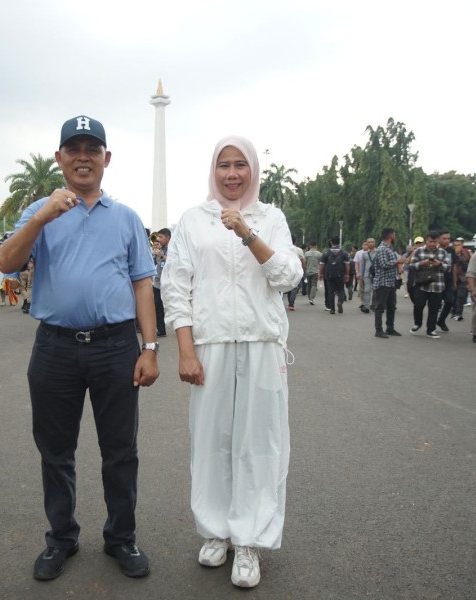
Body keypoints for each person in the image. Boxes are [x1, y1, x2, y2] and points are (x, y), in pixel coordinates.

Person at [0, 115, 159, 582]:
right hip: (55, 347)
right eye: (74, 149)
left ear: (106, 159)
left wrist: (149, 348)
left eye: (92, 149)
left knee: (120, 450)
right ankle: (61, 537)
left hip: (115, 347)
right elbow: (8, 264)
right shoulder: (39, 211)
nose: (83, 157)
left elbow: (143, 285)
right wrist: (44, 216)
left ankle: (121, 537)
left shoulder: (126, 218)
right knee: (55, 450)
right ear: (60, 158)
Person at [161, 135, 300, 589]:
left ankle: (249, 542)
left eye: (241, 164)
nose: (233, 173)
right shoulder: (192, 221)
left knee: (259, 445)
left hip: (262, 344)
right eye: (224, 164)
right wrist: (185, 350)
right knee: (211, 442)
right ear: (213, 170)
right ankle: (216, 532)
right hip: (212, 346)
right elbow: (175, 287)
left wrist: (246, 232)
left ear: (253, 170)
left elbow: (286, 276)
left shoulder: (271, 218)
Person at [409, 231, 450, 338]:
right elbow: (412, 266)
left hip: (437, 284)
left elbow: (448, 267)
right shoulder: (418, 251)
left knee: (434, 309)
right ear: (426, 240)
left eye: (435, 242)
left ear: (438, 241)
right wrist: (422, 263)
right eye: (430, 241)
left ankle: (431, 330)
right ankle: (417, 323)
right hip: (421, 284)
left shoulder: (443, 253)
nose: (432, 244)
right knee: (418, 305)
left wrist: (440, 264)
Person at [372, 228, 404, 338]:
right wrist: (398, 261)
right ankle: (378, 330)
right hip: (382, 283)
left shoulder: (390, 249)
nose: (395, 237)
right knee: (380, 307)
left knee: (391, 307)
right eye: (394, 235)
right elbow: (384, 264)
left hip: (390, 282)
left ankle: (390, 328)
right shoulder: (382, 249)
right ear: (391, 236)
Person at [319, 236, 349, 314]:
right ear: (339, 242)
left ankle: (332, 309)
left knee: (330, 291)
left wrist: (320, 274)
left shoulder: (326, 253)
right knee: (341, 289)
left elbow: (322, 264)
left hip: (329, 274)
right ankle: (340, 301)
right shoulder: (344, 253)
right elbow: (347, 264)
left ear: (331, 242)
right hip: (340, 274)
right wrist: (347, 274)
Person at [151, 228, 170, 335]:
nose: (158, 239)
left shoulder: (173, 248)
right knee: (157, 305)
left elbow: (173, 261)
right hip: (158, 282)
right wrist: (154, 253)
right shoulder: (159, 248)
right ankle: (161, 330)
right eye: (158, 237)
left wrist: (161, 255)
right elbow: (154, 263)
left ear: (168, 237)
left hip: (169, 281)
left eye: (161, 237)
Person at [286, 236, 305, 311]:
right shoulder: (299, 250)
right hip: (296, 270)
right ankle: (291, 303)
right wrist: (302, 270)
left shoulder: (285, 249)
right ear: (295, 241)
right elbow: (303, 260)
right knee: (295, 287)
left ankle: (289, 303)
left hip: (287, 270)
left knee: (289, 286)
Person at [304, 241, 323, 306]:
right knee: (314, 285)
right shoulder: (319, 254)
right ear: (316, 246)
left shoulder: (306, 254)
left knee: (309, 285)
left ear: (310, 246)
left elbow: (305, 263)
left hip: (308, 271)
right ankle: (312, 298)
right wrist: (321, 272)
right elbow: (321, 263)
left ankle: (309, 297)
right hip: (315, 271)